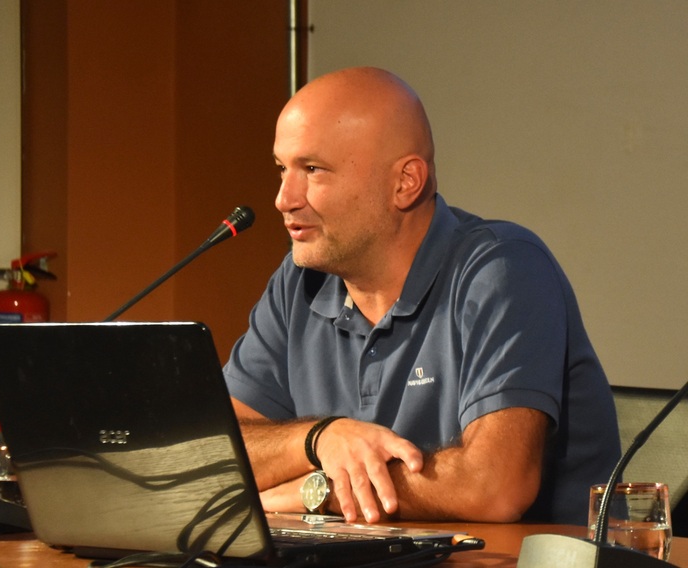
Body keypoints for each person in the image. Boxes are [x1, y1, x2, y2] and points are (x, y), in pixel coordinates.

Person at [223, 66, 620, 526]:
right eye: (282, 169)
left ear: (406, 182)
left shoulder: (503, 268)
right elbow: (205, 456)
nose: (283, 198)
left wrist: (320, 490)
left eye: (313, 170)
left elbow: (494, 487)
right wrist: (317, 439)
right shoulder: (299, 280)